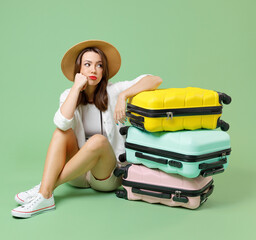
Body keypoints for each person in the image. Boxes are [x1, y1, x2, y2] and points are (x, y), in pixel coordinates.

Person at [11, 40, 162, 218]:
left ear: (103, 71)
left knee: (98, 140)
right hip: (78, 175)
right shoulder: (69, 95)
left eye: (99, 65)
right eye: (87, 65)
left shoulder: (113, 91)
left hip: (105, 177)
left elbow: (154, 80)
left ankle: (45, 189)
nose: (93, 70)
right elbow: (61, 123)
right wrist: (76, 88)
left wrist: (124, 95)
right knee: (61, 133)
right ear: (79, 70)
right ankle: (45, 193)